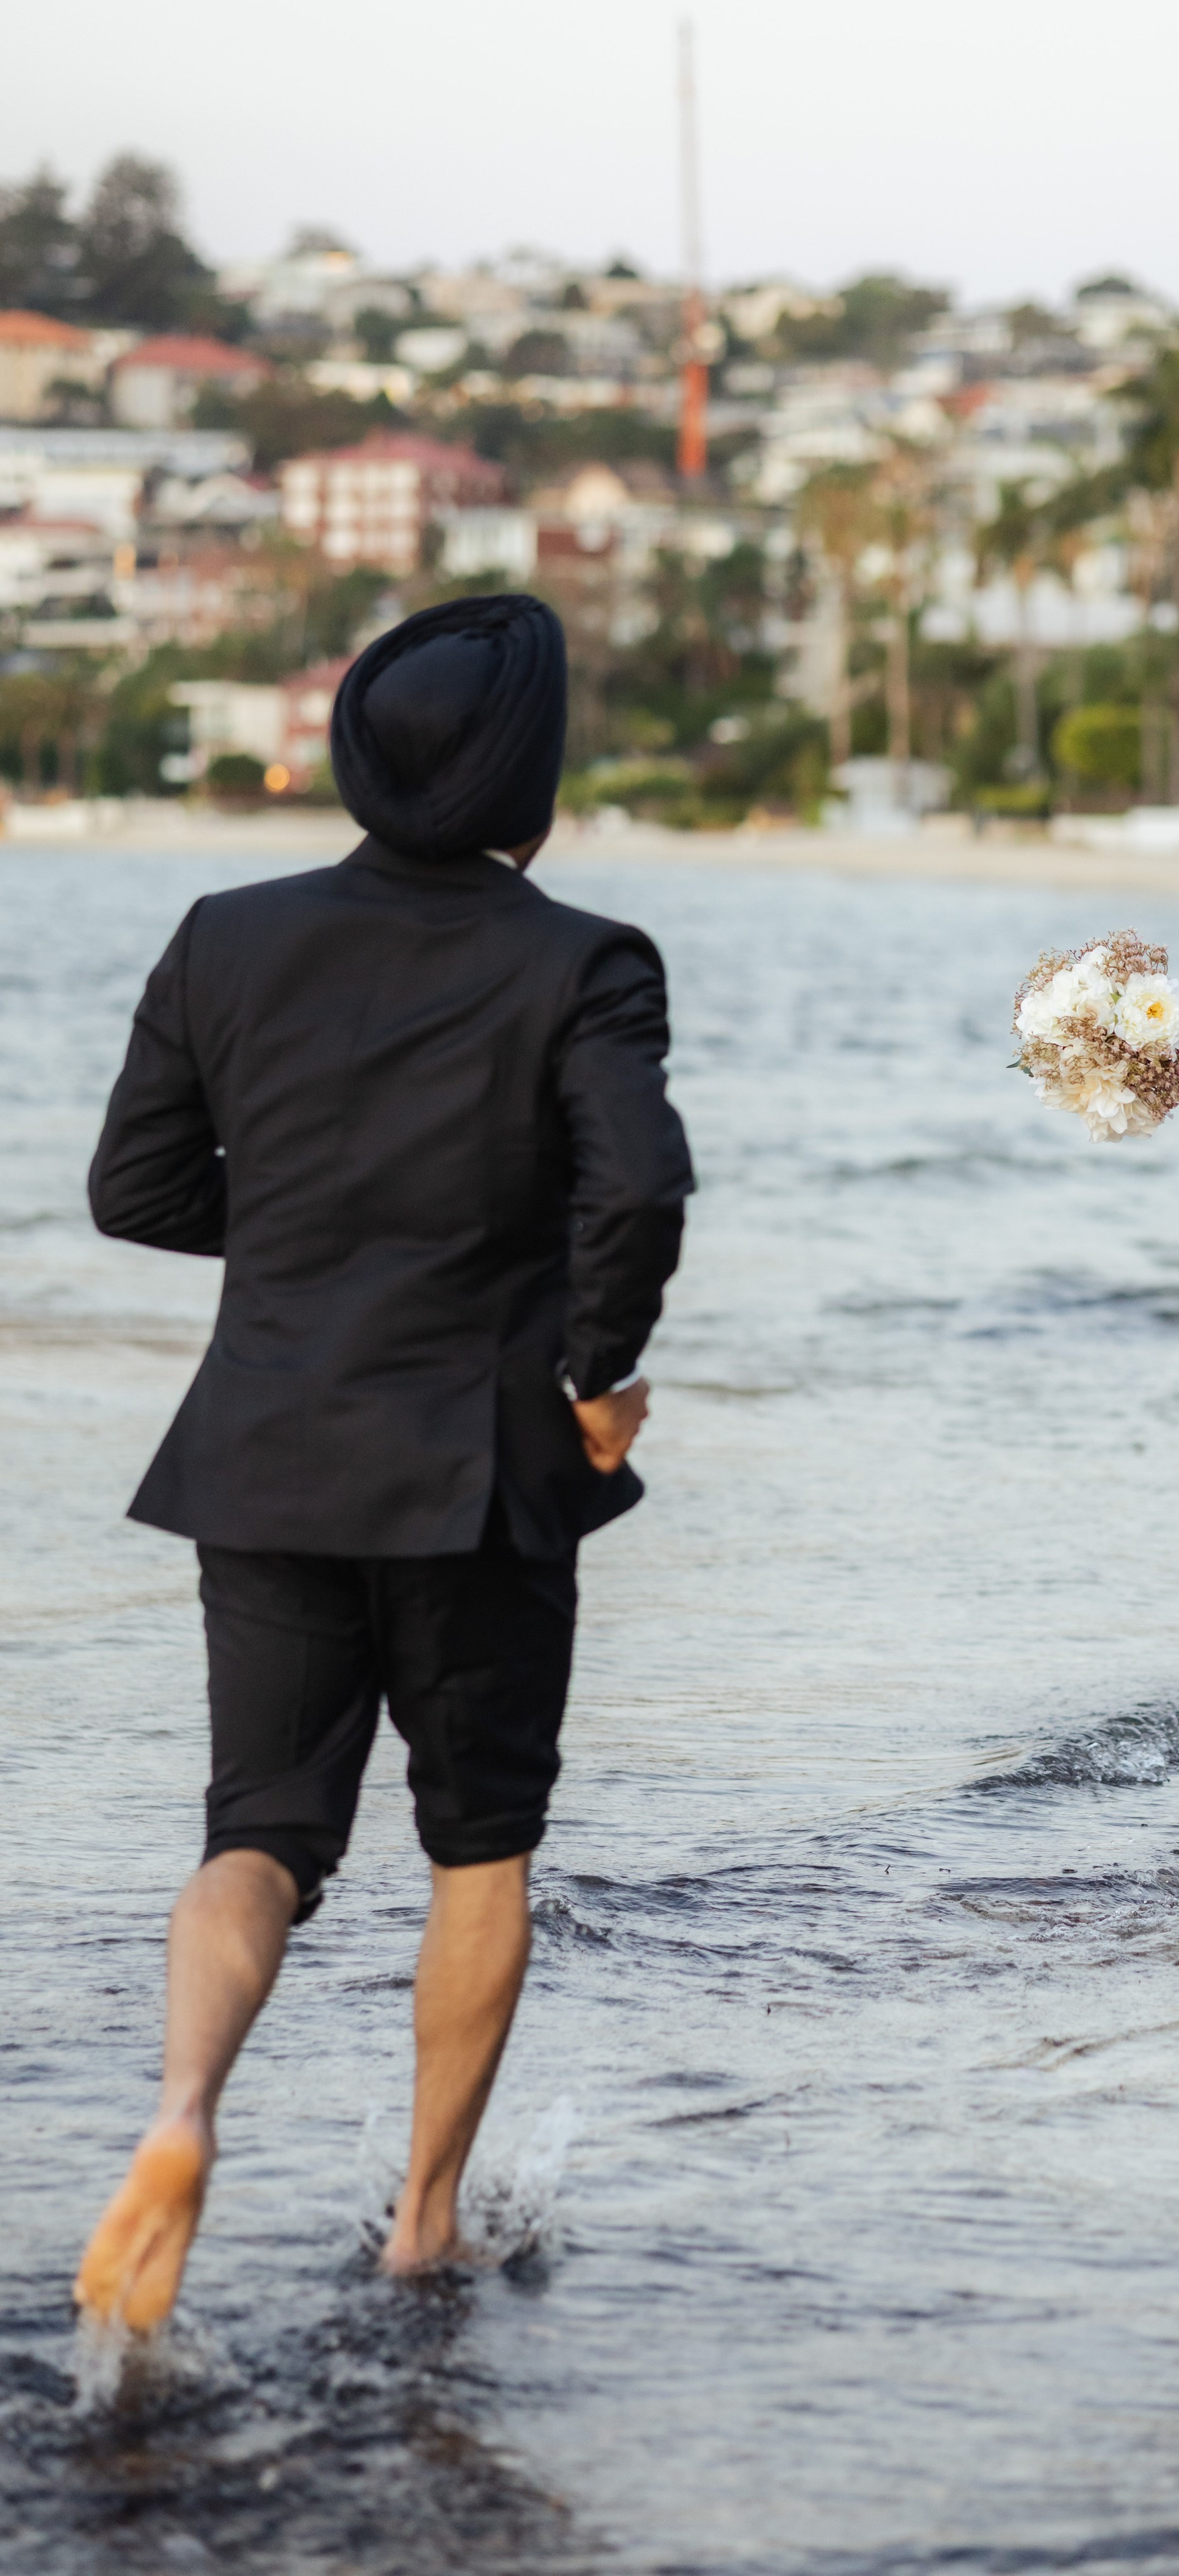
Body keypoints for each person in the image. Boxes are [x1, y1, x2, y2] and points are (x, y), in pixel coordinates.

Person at [74, 594, 695, 2328]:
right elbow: (633, 1189)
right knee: (476, 1848)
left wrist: (301, 1243)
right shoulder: (586, 960)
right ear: (530, 775)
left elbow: (132, 1190)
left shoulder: (224, 933)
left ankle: (185, 2114)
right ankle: (422, 2231)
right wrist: (593, 1369)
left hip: (261, 1452)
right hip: (479, 1474)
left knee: (256, 1836)